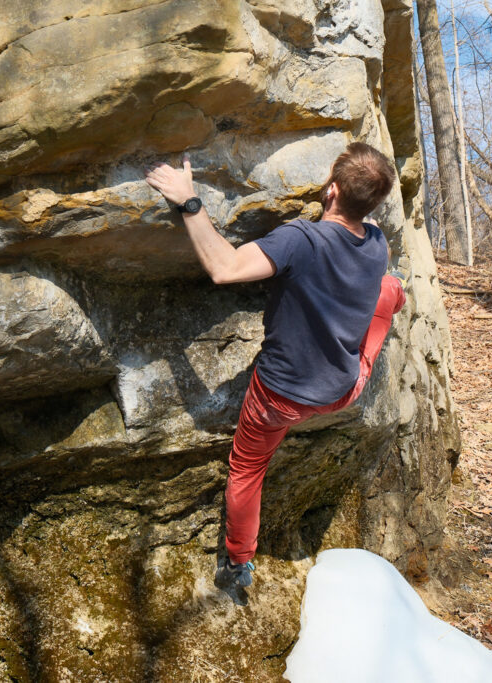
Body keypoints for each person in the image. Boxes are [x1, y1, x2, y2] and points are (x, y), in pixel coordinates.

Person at [145, 142, 406, 590]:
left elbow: (225, 268)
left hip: (282, 398)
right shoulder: (377, 242)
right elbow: (364, 225)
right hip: (344, 387)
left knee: (247, 470)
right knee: (389, 289)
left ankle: (238, 562)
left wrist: (188, 201)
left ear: (331, 189)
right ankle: (396, 296)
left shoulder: (298, 240)